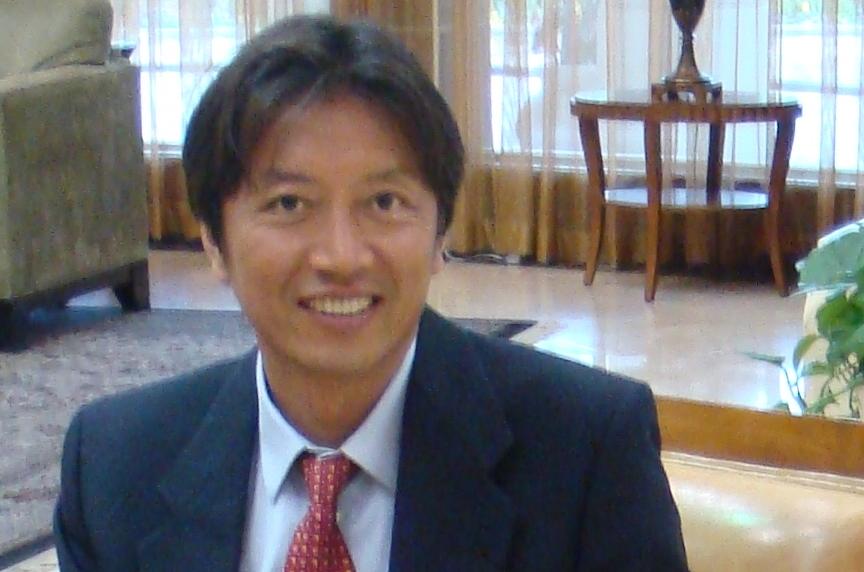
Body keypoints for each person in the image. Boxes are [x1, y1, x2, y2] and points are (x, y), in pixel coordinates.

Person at [53, 14, 688, 572]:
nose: (341, 257)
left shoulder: (586, 455)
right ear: (213, 241)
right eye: (289, 203)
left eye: (384, 202)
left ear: (440, 233)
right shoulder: (116, 466)